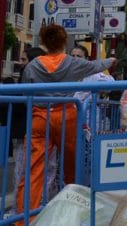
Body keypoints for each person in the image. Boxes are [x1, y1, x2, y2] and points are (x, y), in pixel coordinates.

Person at [16, 24, 115, 216]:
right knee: (73, 167)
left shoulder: (33, 65)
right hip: (66, 115)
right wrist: (111, 60)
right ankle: (73, 213)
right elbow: (97, 66)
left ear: (43, 42)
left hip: (39, 116)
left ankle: (25, 218)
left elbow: (24, 89)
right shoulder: (72, 62)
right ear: (64, 42)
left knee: (33, 171)